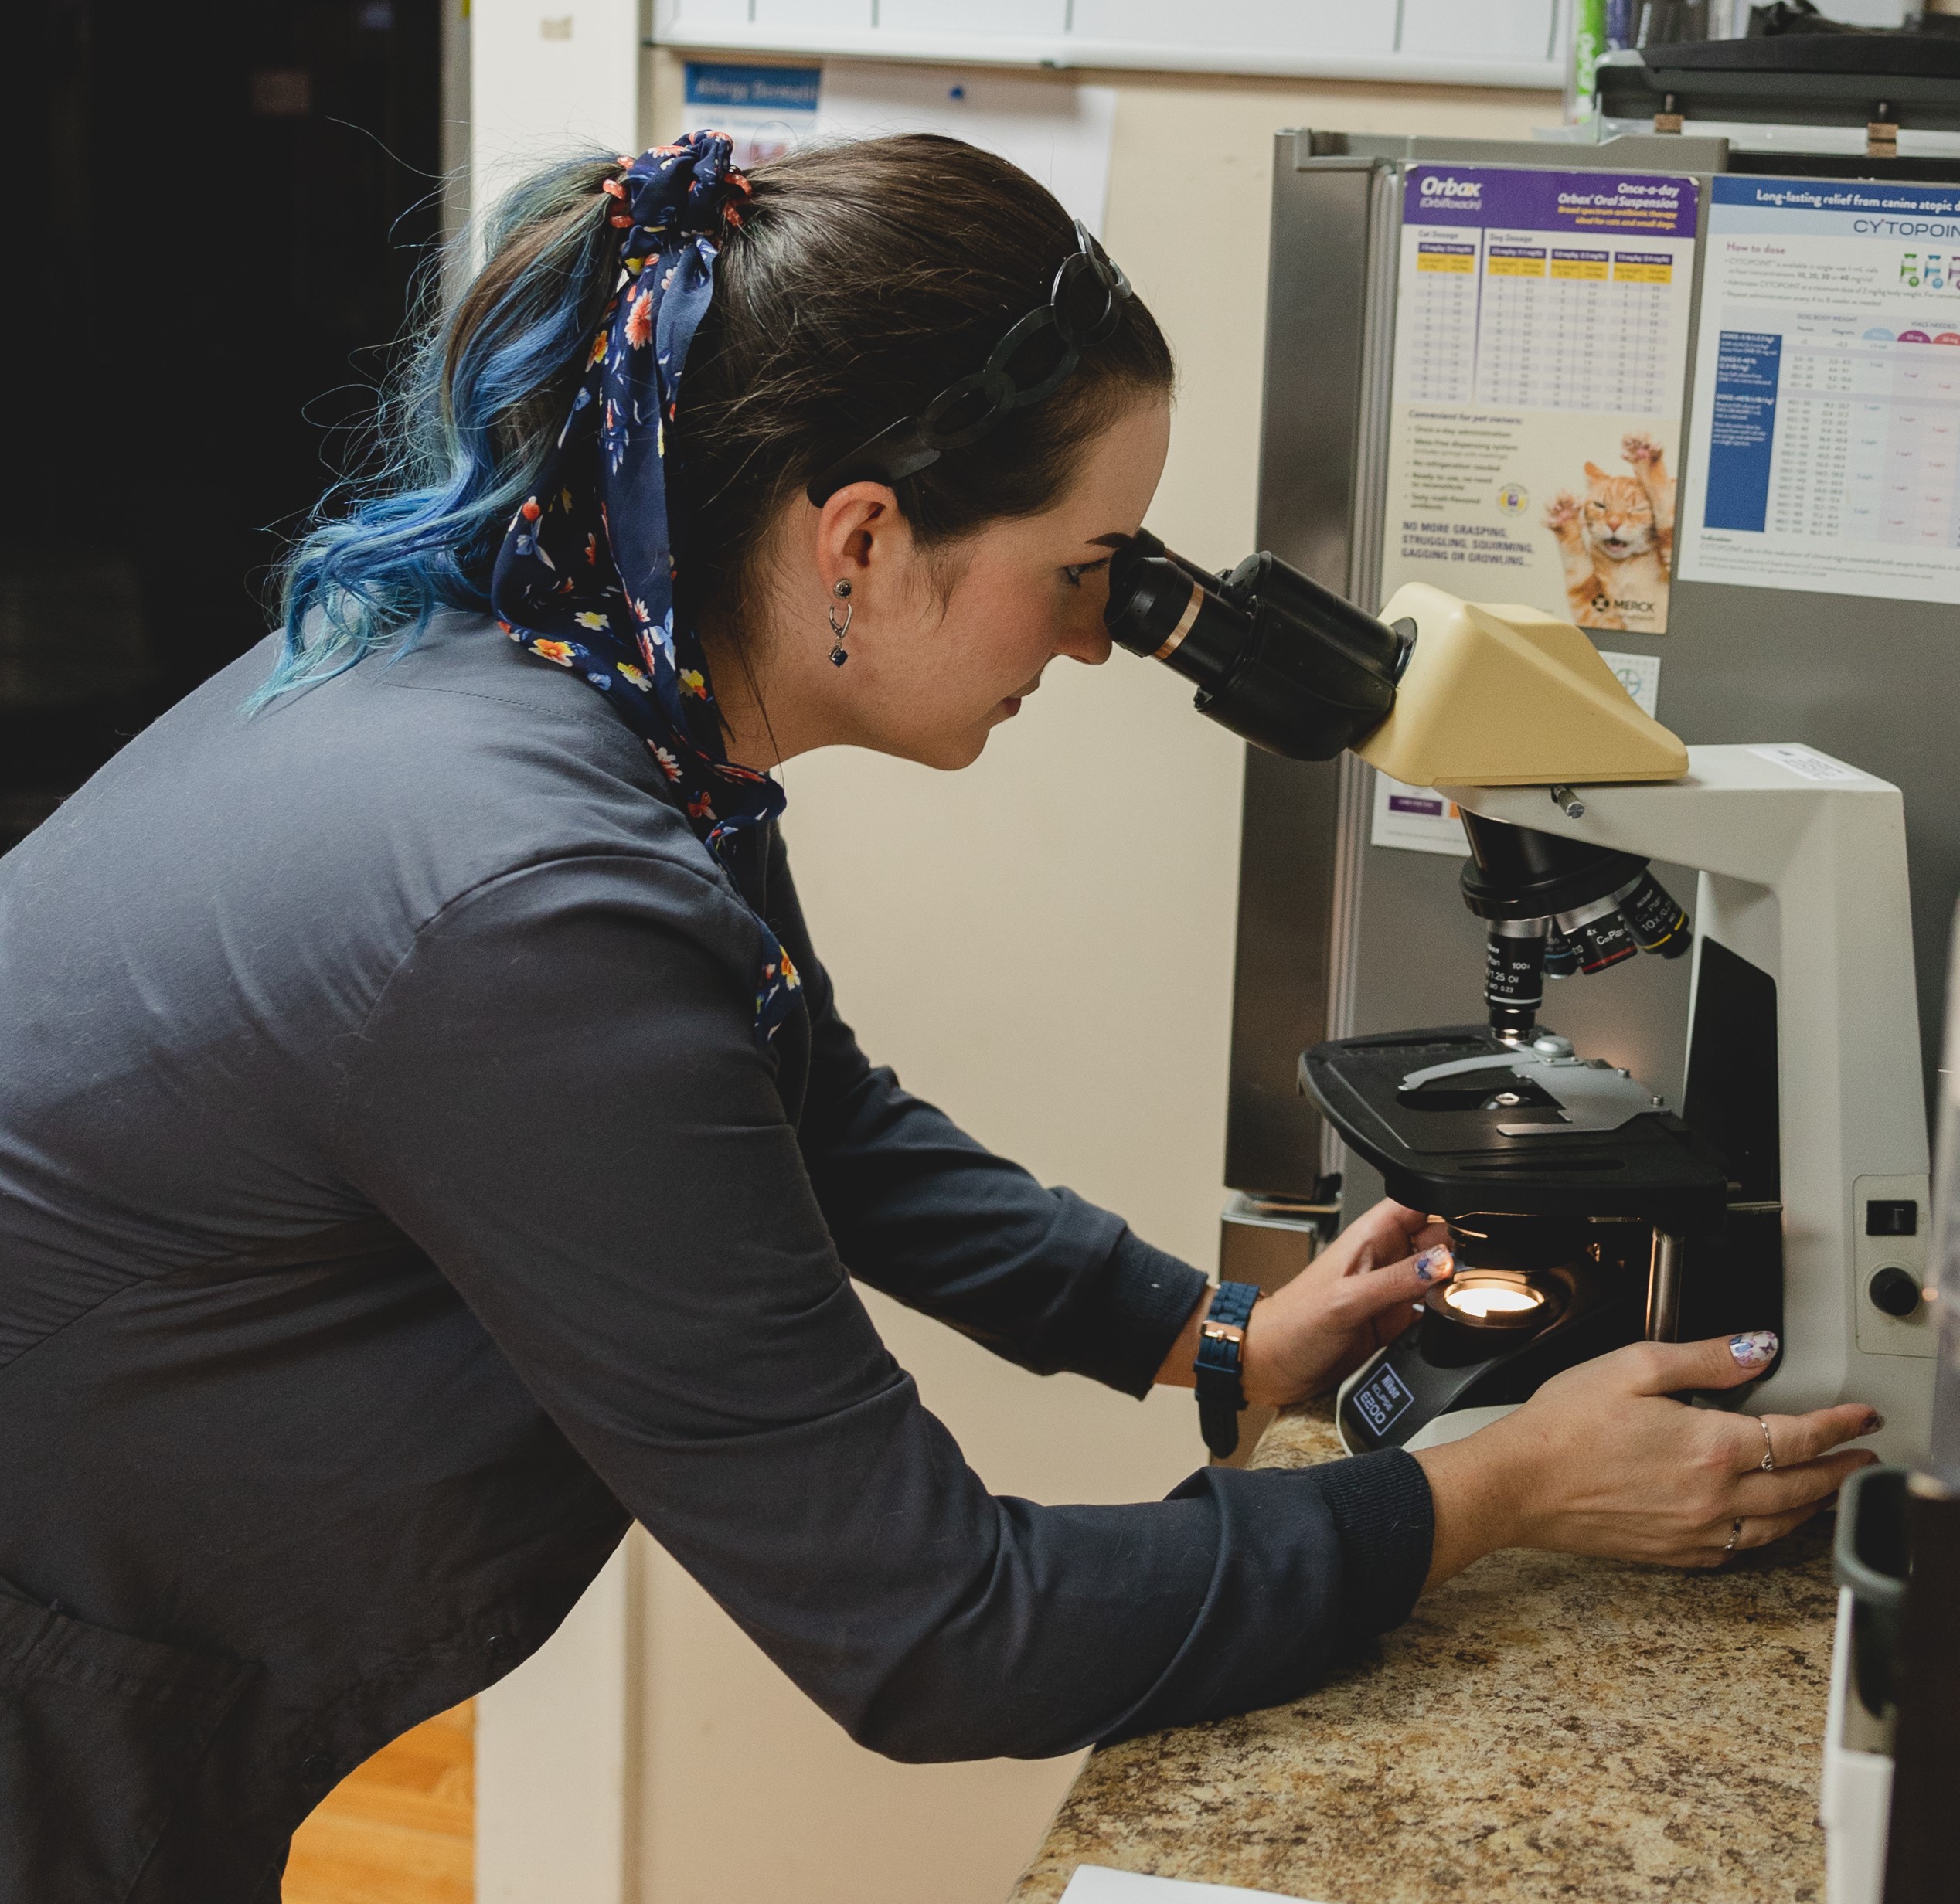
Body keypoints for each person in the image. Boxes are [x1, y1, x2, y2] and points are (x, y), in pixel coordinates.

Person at [0, 132, 1878, 1903]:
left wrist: (1209, 1334)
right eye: (1086, 571)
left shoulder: (556, 672)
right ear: (863, 540)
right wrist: (1494, 1487)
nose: (1099, 640)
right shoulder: (530, 908)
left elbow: (797, 1100)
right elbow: (937, 1629)